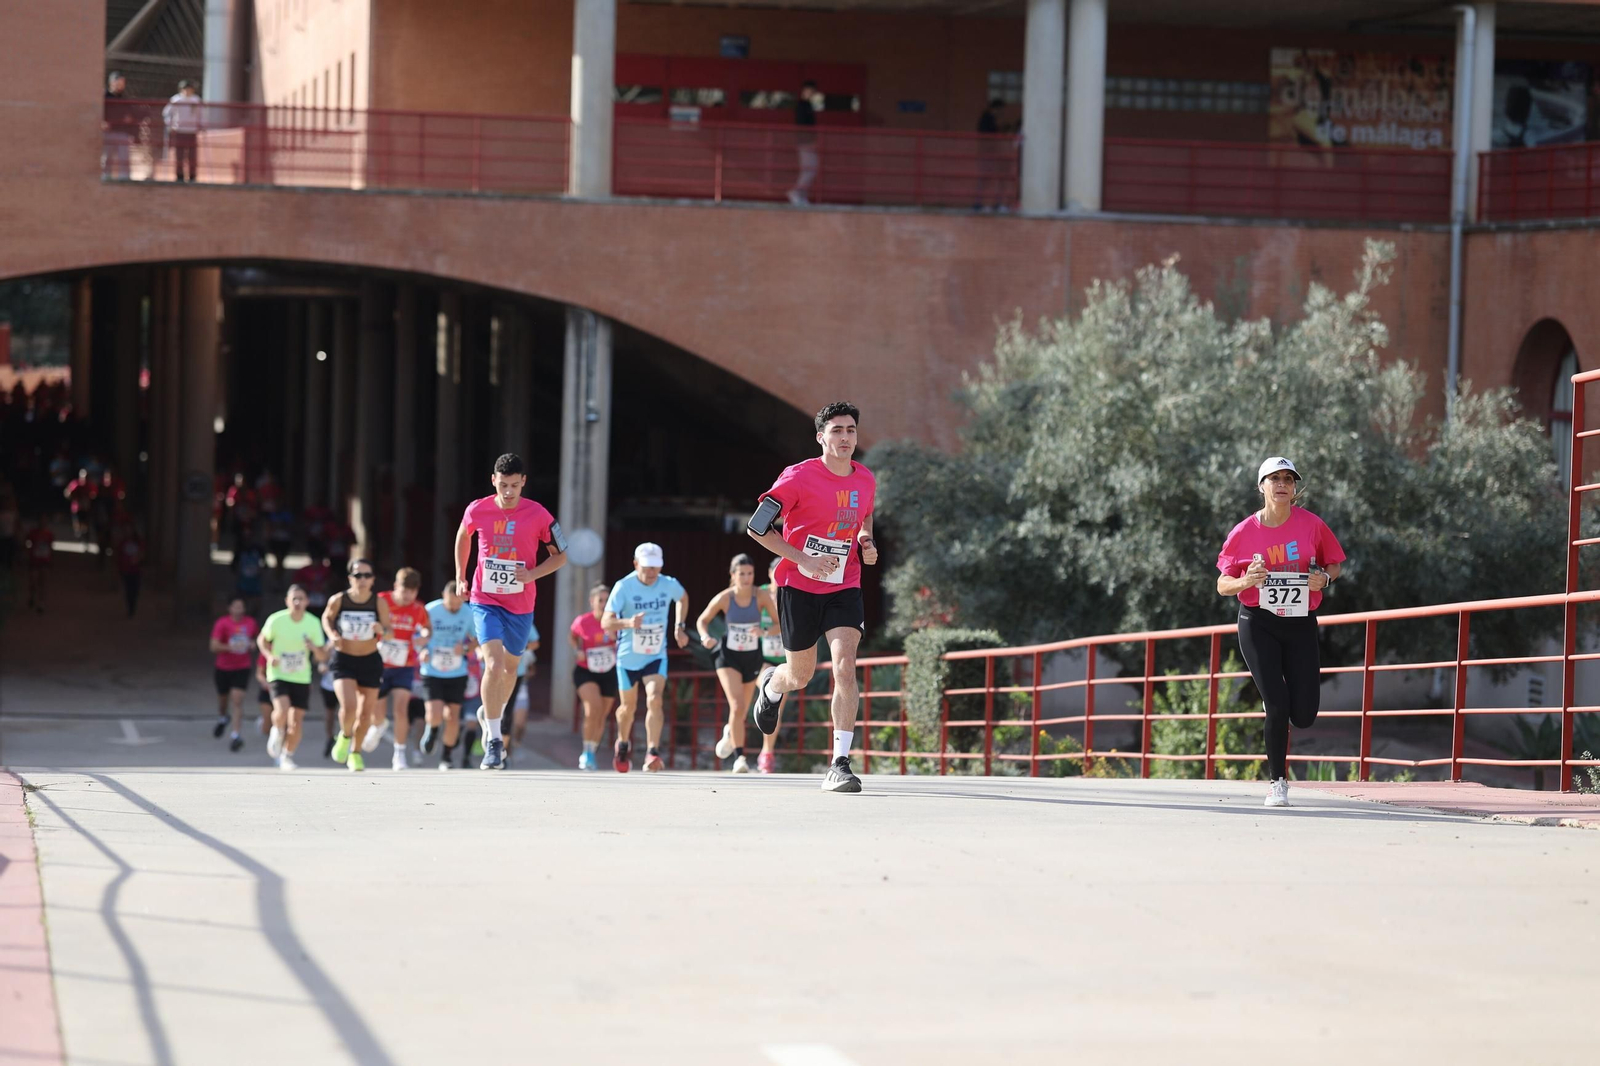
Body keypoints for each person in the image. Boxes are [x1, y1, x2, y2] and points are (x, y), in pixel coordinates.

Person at [747, 401, 878, 794]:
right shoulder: (798, 477)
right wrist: (802, 558)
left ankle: (839, 763)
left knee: (844, 668)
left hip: (844, 584)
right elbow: (757, 527)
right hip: (798, 586)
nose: (845, 437)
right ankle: (772, 685)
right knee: (800, 675)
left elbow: (864, 516)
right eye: (836, 430)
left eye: (851, 430)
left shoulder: (866, 478)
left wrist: (866, 541)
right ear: (821, 437)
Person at [1216, 457, 1346, 809]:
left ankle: (1279, 705)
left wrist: (1326, 578)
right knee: (1277, 704)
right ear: (1261, 487)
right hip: (1258, 621)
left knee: (1303, 715)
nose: (1282, 484)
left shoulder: (1312, 525)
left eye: (1288, 478)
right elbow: (1222, 584)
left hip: (1301, 621)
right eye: (1274, 478)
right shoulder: (1244, 532)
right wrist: (1247, 580)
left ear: (1294, 488)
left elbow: (1334, 563)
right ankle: (1277, 783)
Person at [455, 452, 567, 770]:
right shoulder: (478, 509)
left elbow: (561, 556)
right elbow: (464, 536)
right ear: (493, 480)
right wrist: (460, 575)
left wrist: (532, 574)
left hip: (520, 604)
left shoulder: (539, 514)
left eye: (514, 486)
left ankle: (491, 711)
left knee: (510, 670)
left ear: (523, 483)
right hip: (484, 599)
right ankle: (493, 740)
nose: (508, 492)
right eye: (503, 485)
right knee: (493, 663)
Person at [602, 543, 690, 773]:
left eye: (656, 568)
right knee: (627, 708)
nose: (652, 573)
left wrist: (679, 626)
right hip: (628, 657)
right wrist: (629, 623)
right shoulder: (623, 587)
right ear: (636, 564)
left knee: (655, 698)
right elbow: (606, 622)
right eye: (647, 567)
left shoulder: (667, 584)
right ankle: (622, 743)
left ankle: (653, 751)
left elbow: (683, 598)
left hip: (655, 655)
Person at [699, 553, 781, 774]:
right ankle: (739, 758)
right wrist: (705, 636)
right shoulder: (726, 597)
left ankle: (729, 733)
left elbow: (778, 625)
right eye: (742, 574)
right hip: (728, 657)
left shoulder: (761, 595)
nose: (746, 578)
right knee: (736, 705)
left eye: (750, 573)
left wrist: (763, 631)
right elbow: (702, 620)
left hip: (752, 656)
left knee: (742, 710)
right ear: (733, 575)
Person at [322, 558, 392, 772]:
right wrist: (332, 634)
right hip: (344, 659)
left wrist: (381, 628)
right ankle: (344, 735)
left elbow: (389, 631)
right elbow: (327, 618)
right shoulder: (339, 600)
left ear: (372, 579)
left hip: (370, 660)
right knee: (349, 706)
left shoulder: (378, 602)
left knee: (365, 714)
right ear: (350, 578)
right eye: (358, 575)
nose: (362, 580)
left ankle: (355, 752)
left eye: (367, 575)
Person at [258, 585, 330, 771]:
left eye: (301, 599)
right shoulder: (276, 619)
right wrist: (269, 655)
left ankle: (287, 756)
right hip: (278, 673)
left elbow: (322, 656)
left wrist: (313, 648)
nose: (297, 602)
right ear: (287, 601)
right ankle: (277, 729)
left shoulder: (313, 622)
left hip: (301, 676)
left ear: (307, 601)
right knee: (282, 711)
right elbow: (262, 639)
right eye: (294, 599)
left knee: (296, 720)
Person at [376, 567, 431, 770]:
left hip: (404, 665)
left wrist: (424, 637)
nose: (408, 596)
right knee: (378, 714)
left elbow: (427, 628)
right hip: (379, 664)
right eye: (404, 591)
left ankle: (399, 754)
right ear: (395, 587)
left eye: (412, 592)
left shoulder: (418, 609)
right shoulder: (381, 601)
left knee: (401, 709)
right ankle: (378, 725)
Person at [419, 580, 476, 771]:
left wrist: (466, 647)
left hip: (457, 670)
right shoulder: (430, 610)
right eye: (451, 604)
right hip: (432, 669)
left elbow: (479, 639)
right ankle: (433, 730)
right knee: (435, 714)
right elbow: (419, 636)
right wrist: (423, 650)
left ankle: (447, 756)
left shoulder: (469, 612)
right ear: (443, 596)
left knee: (452, 717)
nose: (454, 608)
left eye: (458, 604)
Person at [570, 583, 619, 771]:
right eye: (601, 600)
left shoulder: (616, 621)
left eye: (608, 601)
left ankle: (592, 751)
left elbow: (625, 638)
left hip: (608, 671)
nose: (604, 604)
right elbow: (572, 636)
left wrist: (616, 638)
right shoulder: (583, 621)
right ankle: (586, 753)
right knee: (592, 708)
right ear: (592, 602)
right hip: (586, 670)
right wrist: (577, 650)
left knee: (601, 715)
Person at [209, 597, 260, 752]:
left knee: (237, 701)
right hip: (223, 667)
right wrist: (230, 647)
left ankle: (235, 735)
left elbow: (258, 639)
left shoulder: (251, 623)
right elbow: (213, 646)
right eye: (235, 607)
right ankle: (223, 717)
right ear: (229, 608)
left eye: (241, 607)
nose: (238, 610)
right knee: (223, 700)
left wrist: (253, 643)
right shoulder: (222, 623)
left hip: (242, 667)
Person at [754, 556, 787, 773]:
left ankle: (767, 753)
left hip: (785, 659)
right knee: (761, 690)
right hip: (762, 656)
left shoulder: (793, 593)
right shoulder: (760, 594)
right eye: (775, 573)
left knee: (776, 709)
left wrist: (769, 630)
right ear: (769, 573)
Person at [787, 80, 821, 205]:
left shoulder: (808, 105)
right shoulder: (801, 106)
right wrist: (808, 141)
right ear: (804, 90)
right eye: (810, 90)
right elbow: (802, 125)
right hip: (805, 142)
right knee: (810, 168)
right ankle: (796, 193)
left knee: (811, 168)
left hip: (808, 141)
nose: (812, 93)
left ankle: (801, 195)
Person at [162, 80, 202, 182]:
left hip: (192, 131)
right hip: (179, 130)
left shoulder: (196, 100)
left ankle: (192, 176)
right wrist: (169, 124)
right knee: (179, 155)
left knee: (192, 155)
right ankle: (179, 176)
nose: (187, 91)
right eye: (185, 89)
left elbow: (201, 114)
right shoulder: (176, 99)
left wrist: (201, 125)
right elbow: (166, 113)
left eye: (189, 89)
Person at [102, 71, 138, 179]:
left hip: (122, 132)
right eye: (118, 82)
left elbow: (131, 116)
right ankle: (106, 177)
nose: (121, 85)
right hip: (108, 132)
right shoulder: (104, 96)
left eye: (123, 82)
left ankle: (124, 179)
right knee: (107, 158)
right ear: (111, 83)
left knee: (124, 158)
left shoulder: (125, 98)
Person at [113, 521, 144, 617]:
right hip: (126, 571)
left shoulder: (138, 542)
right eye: (126, 530)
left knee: (135, 591)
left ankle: (132, 607)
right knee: (128, 591)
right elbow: (118, 557)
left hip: (136, 571)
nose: (128, 532)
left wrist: (138, 559)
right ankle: (130, 610)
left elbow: (142, 554)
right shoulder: (122, 543)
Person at [24, 516, 54, 613]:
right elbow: (26, 541)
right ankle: (32, 596)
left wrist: (51, 560)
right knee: (33, 580)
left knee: (43, 582)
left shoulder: (49, 534)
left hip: (44, 561)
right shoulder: (33, 533)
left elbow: (51, 548)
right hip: (34, 561)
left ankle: (41, 603)